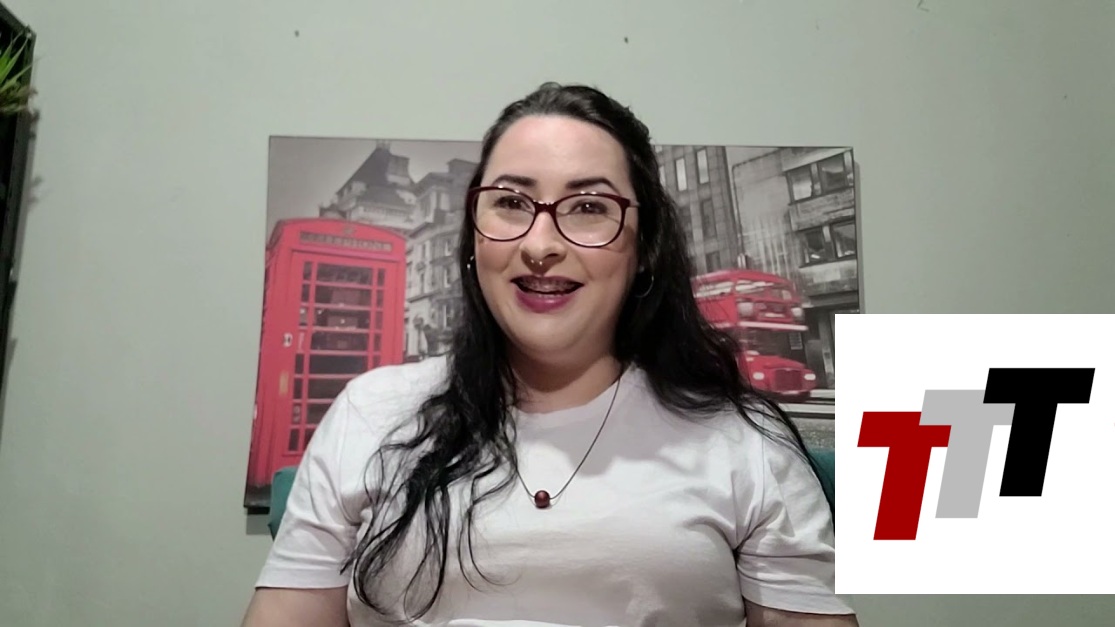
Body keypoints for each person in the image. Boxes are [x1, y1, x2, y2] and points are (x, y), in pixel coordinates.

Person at [241, 82, 858, 627]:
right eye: (510, 203)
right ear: (473, 237)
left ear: (645, 246)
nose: (540, 245)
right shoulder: (370, 411)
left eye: (589, 208)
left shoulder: (745, 442)